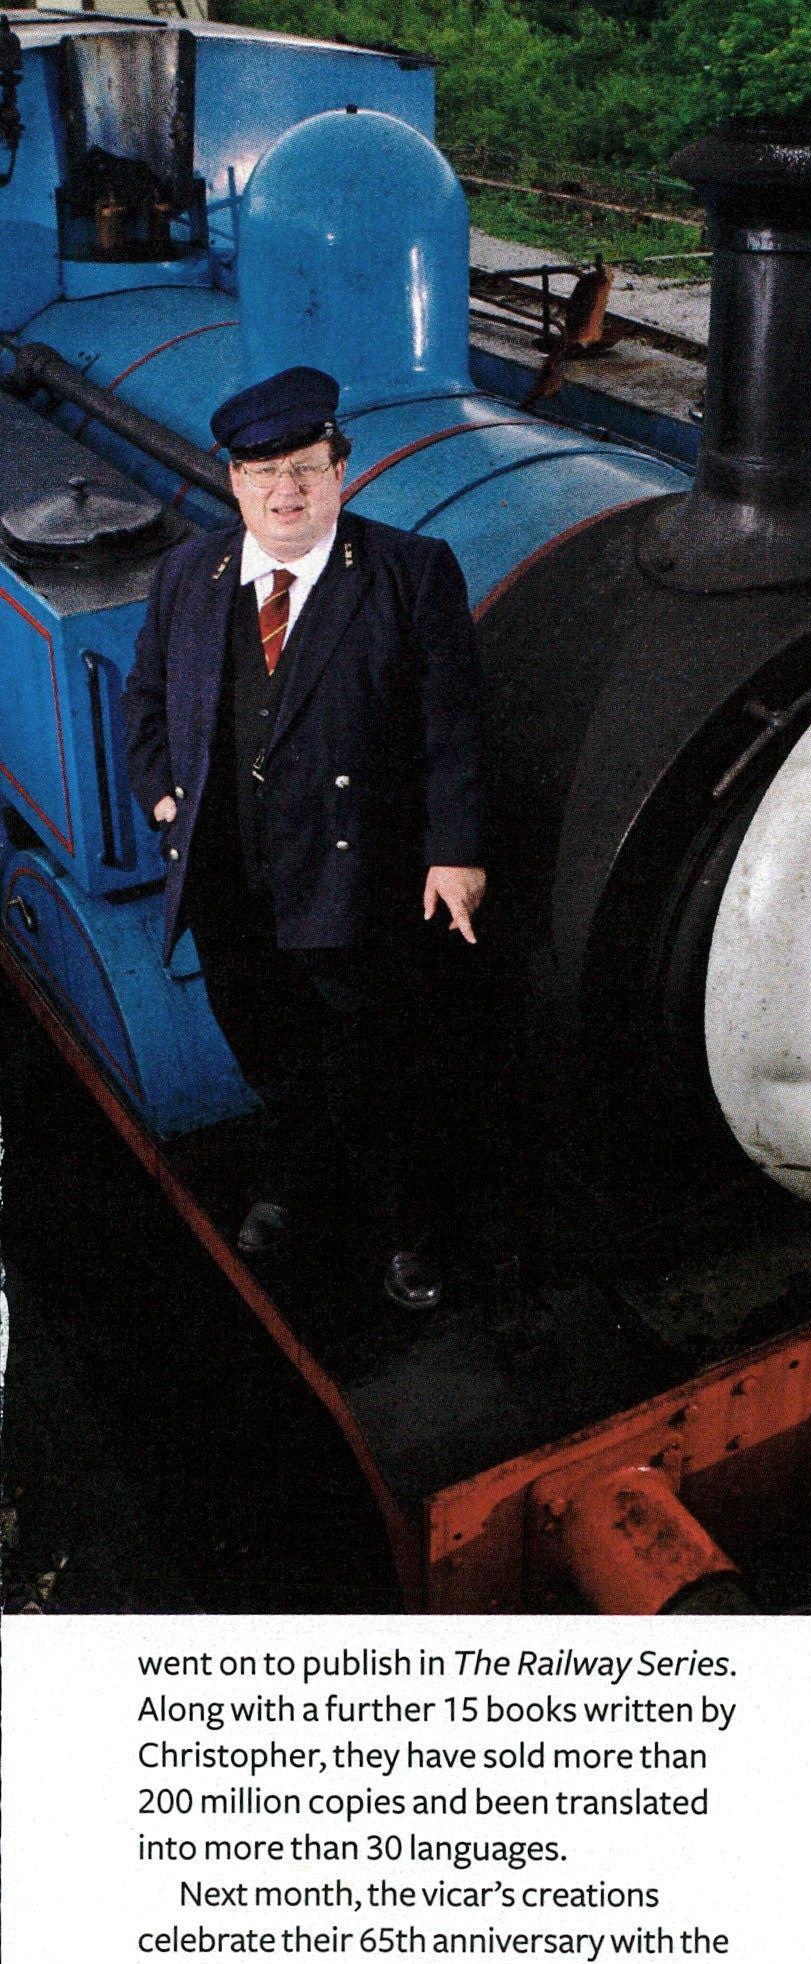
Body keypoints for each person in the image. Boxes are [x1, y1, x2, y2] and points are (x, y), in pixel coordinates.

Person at [122, 365, 486, 1310]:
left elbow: (453, 728)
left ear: (340, 471)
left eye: (306, 468)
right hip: (229, 879)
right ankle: (290, 1183)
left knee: (377, 1067)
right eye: (263, 471)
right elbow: (146, 700)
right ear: (234, 479)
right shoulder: (189, 574)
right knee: (271, 1052)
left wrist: (455, 852)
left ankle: (406, 1227)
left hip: (353, 881)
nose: (285, 490)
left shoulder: (410, 571)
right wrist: (161, 798)